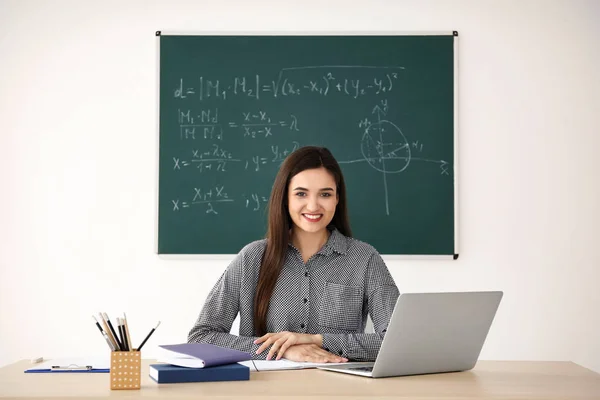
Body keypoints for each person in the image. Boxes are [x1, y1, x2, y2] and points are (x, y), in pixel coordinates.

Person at [188, 146, 399, 363]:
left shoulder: (365, 259)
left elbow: (397, 342)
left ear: (337, 199)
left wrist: (317, 340)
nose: (313, 205)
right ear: (285, 198)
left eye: (325, 194)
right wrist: (283, 350)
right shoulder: (251, 258)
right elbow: (200, 338)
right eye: (301, 194)